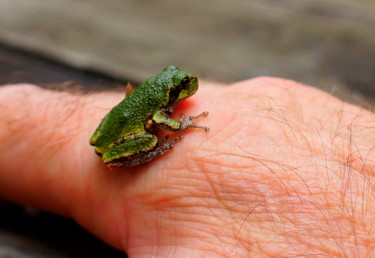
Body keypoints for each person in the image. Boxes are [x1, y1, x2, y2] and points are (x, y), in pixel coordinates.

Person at [0, 77, 374, 257]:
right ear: (169, 92)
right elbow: (164, 121)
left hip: (106, 131)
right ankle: (144, 154)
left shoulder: (151, 95)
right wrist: (185, 127)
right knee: (150, 138)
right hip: (118, 143)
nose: (188, 87)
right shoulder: (160, 105)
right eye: (181, 87)